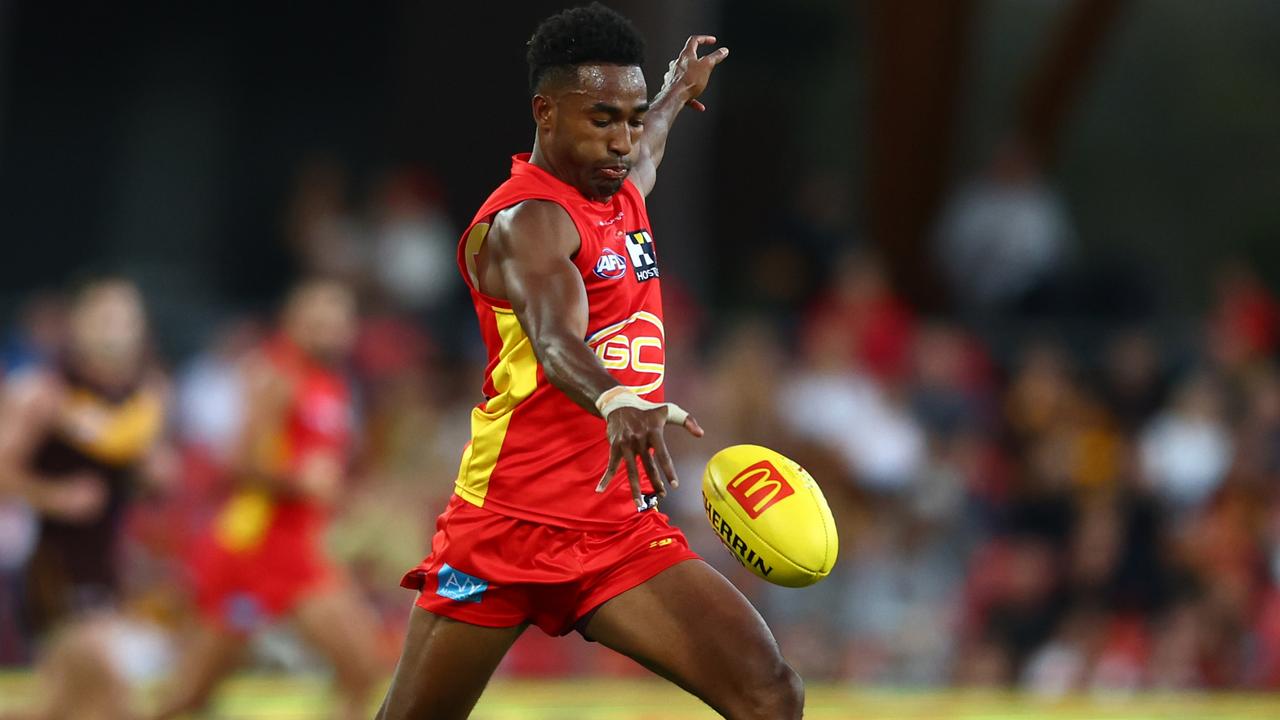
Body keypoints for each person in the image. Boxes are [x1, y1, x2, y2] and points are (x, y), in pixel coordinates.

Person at [377, 5, 804, 719]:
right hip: (509, 526)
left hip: (617, 530)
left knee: (770, 693)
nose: (622, 138)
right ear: (545, 112)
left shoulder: (622, 184)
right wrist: (615, 400)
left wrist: (673, 91)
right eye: (602, 118)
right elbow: (553, 339)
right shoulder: (527, 222)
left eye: (631, 117)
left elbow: (652, 144)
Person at [150, 280, 382, 720]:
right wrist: (299, 480)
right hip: (260, 545)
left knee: (191, 697)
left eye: (337, 322)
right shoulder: (277, 374)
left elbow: (321, 466)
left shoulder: (329, 381)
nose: (328, 331)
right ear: (291, 322)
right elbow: (236, 464)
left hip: (289, 544)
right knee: (361, 669)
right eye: (317, 321)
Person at [0, 278, 169, 720]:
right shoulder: (45, 392)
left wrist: (157, 475)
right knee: (114, 697)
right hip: (54, 566)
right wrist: (54, 495)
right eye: (103, 318)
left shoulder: (146, 395)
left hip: (108, 564)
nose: (115, 330)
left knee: (68, 707)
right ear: (79, 326)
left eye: (125, 318)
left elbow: (147, 483)